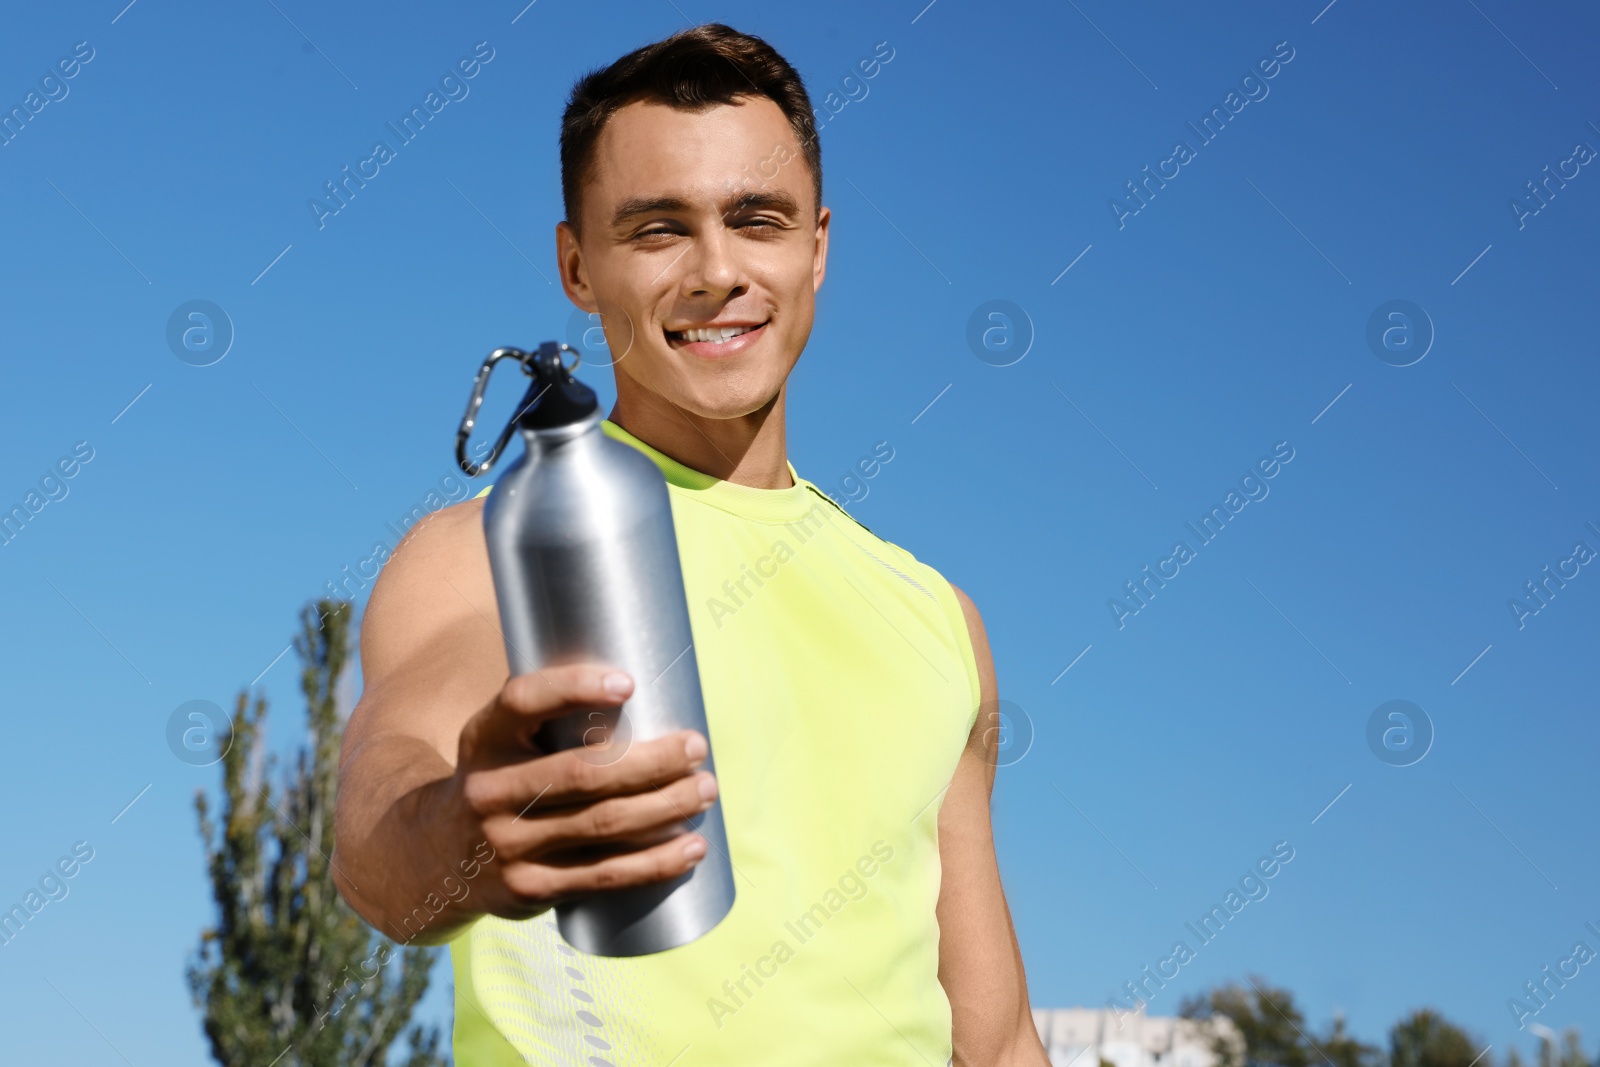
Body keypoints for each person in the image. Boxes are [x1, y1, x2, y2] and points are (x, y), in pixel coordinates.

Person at [332, 22, 1049, 1066]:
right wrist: (457, 834)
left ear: (817, 245)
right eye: (657, 230)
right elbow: (377, 817)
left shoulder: (939, 616)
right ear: (577, 265)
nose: (717, 269)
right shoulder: (506, 545)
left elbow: (994, 1038)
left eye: (756, 220)